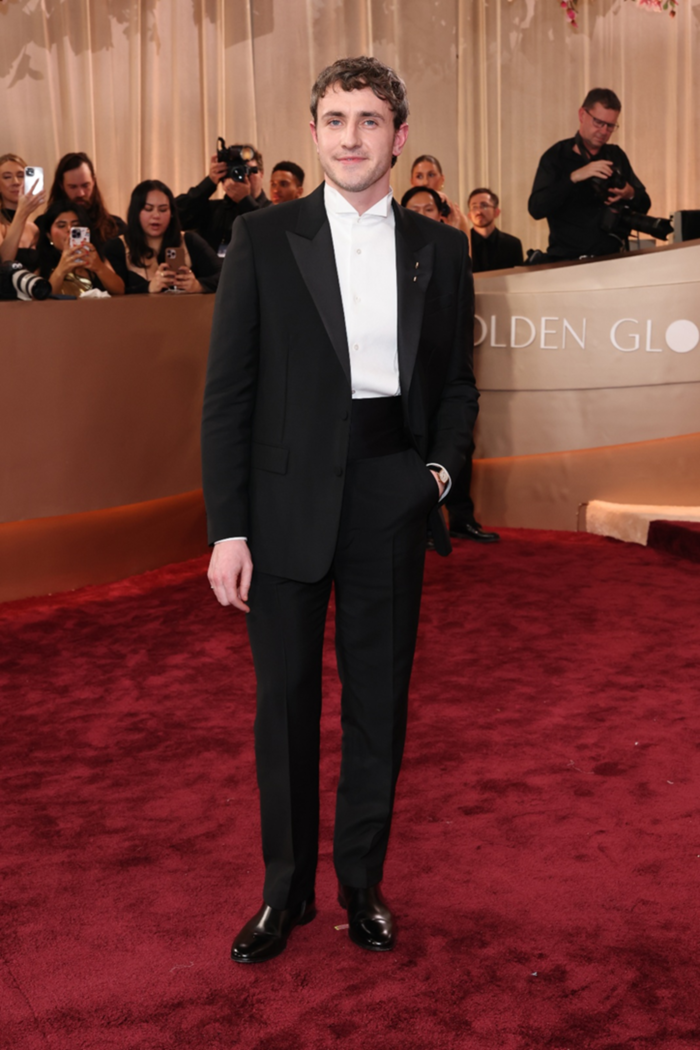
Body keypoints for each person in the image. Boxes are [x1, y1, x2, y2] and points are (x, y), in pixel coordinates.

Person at [202, 55, 477, 963]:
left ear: (399, 137)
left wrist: (435, 479)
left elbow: (457, 385)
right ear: (314, 131)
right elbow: (228, 396)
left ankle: (362, 883)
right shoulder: (262, 236)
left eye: (369, 120)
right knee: (283, 705)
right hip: (281, 505)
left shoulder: (442, 248)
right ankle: (284, 894)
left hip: (389, 493)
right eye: (334, 119)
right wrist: (228, 528)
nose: (350, 137)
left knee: (378, 704)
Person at [401, 187, 498, 545]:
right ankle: (423, 525)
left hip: (446, 369)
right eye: (413, 209)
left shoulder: (451, 249)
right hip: (407, 376)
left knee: (457, 442)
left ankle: (461, 517)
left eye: (428, 208)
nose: (421, 214)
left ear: (440, 213)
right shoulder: (392, 253)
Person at [528, 87, 651, 260]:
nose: (603, 131)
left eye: (610, 126)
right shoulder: (556, 156)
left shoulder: (616, 156)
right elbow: (536, 208)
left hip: (612, 260)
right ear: (582, 115)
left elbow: (644, 204)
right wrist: (573, 177)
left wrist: (630, 193)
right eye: (598, 122)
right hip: (567, 262)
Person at [105, 180, 221, 294]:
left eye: (163, 209)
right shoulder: (117, 246)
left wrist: (199, 286)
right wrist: (148, 287)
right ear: (136, 212)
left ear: (172, 213)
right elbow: (111, 293)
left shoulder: (190, 241)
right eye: (148, 209)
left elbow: (224, 275)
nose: (156, 215)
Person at [175, 146, 270, 255]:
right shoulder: (213, 211)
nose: (244, 176)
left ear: (261, 173)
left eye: (248, 170)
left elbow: (271, 238)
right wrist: (209, 182)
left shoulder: (273, 211)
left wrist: (245, 201)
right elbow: (174, 217)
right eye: (236, 170)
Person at [35, 199, 124, 296]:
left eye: (76, 225)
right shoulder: (39, 261)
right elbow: (42, 299)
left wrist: (99, 267)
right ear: (49, 235)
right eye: (61, 225)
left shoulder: (94, 256)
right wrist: (61, 270)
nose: (69, 229)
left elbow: (120, 290)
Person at [46, 152, 126, 246]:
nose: (81, 193)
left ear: (93, 182)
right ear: (61, 186)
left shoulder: (115, 226)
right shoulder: (44, 225)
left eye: (85, 185)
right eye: (73, 187)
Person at [0, 153, 45, 267]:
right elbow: (4, 263)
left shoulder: (33, 229)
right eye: (7, 177)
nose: (15, 182)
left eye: (21, 176)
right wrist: (22, 213)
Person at [466, 188, 524, 272]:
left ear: (496, 212)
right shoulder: (462, 244)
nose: (478, 211)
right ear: (469, 215)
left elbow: (518, 277)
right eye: (474, 207)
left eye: (484, 206)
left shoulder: (513, 244)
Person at [409, 154, 469, 233]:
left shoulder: (457, 218)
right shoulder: (401, 213)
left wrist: (452, 232)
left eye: (431, 175)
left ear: (442, 179)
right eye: (419, 176)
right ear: (412, 181)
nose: (425, 182)